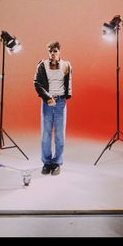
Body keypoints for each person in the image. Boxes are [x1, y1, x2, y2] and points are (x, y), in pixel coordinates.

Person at [34, 41, 72, 176]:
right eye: (50, 51)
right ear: (47, 52)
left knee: (60, 135)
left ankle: (57, 162)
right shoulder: (42, 65)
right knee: (46, 134)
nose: (52, 53)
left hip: (60, 102)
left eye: (55, 51)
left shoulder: (66, 65)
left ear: (59, 51)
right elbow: (37, 83)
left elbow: (68, 83)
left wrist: (65, 98)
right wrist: (47, 97)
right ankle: (46, 162)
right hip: (47, 103)